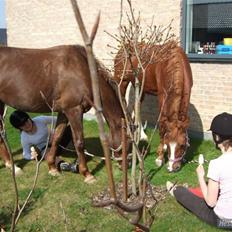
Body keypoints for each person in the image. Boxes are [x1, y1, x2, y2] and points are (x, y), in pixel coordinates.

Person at [166, 112, 232, 229]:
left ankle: (175, 190)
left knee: (188, 196)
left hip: (223, 221)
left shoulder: (216, 164)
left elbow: (211, 203)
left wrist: (201, 177)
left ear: (217, 138)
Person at [9, 110, 78, 173]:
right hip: (46, 149)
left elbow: (58, 120)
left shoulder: (40, 120)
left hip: (57, 140)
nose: (27, 125)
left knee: (70, 128)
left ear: (29, 118)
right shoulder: (24, 137)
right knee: (46, 153)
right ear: (19, 128)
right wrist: (31, 156)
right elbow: (25, 154)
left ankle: (79, 151)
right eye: (23, 125)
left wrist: (55, 133)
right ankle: (66, 166)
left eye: (27, 121)